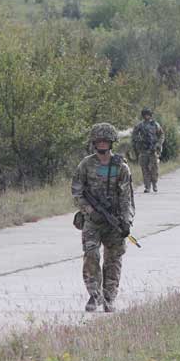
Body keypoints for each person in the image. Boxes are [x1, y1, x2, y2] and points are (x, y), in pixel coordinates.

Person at [71, 123, 135, 313]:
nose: (102, 144)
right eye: (98, 141)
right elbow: (77, 192)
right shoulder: (86, 164)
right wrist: (90, 210)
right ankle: (94, 294)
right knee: (91, 254)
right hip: (92, 221)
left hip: (114, 220)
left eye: (105, 141)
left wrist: (126, 221)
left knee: (113, 260)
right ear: (93, 143)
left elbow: (127, 197)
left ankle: (109, 297)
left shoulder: (121, 167)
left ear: (111, 142)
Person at [131, 107, 165, 193]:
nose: (147, 116)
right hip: (144, 150)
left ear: (150, 115)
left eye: (148, 115)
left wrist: (158, 144)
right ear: (143, 116)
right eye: (145, 115)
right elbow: (134, 134)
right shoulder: (140, 125)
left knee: (154, 168)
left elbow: (161, 135)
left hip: (153, 149)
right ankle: (147, 186)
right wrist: (139, 140)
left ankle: (154, 184)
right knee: (144, 168)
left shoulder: (155, 124)